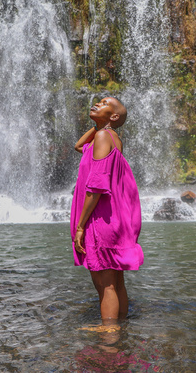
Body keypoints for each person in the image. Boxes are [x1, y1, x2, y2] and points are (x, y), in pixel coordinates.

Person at [71, 96, 144, 322]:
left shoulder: (103, 136)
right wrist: (99, 125)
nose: (96, 104)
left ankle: (109, 336)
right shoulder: (108, 137)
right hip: (114, 218)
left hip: (100, 220)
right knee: (116, 281)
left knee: (105, 284)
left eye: (103, 103)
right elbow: (78, 146)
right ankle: (120, 327)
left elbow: (96, 186)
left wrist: (81, 226)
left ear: (114, 116)